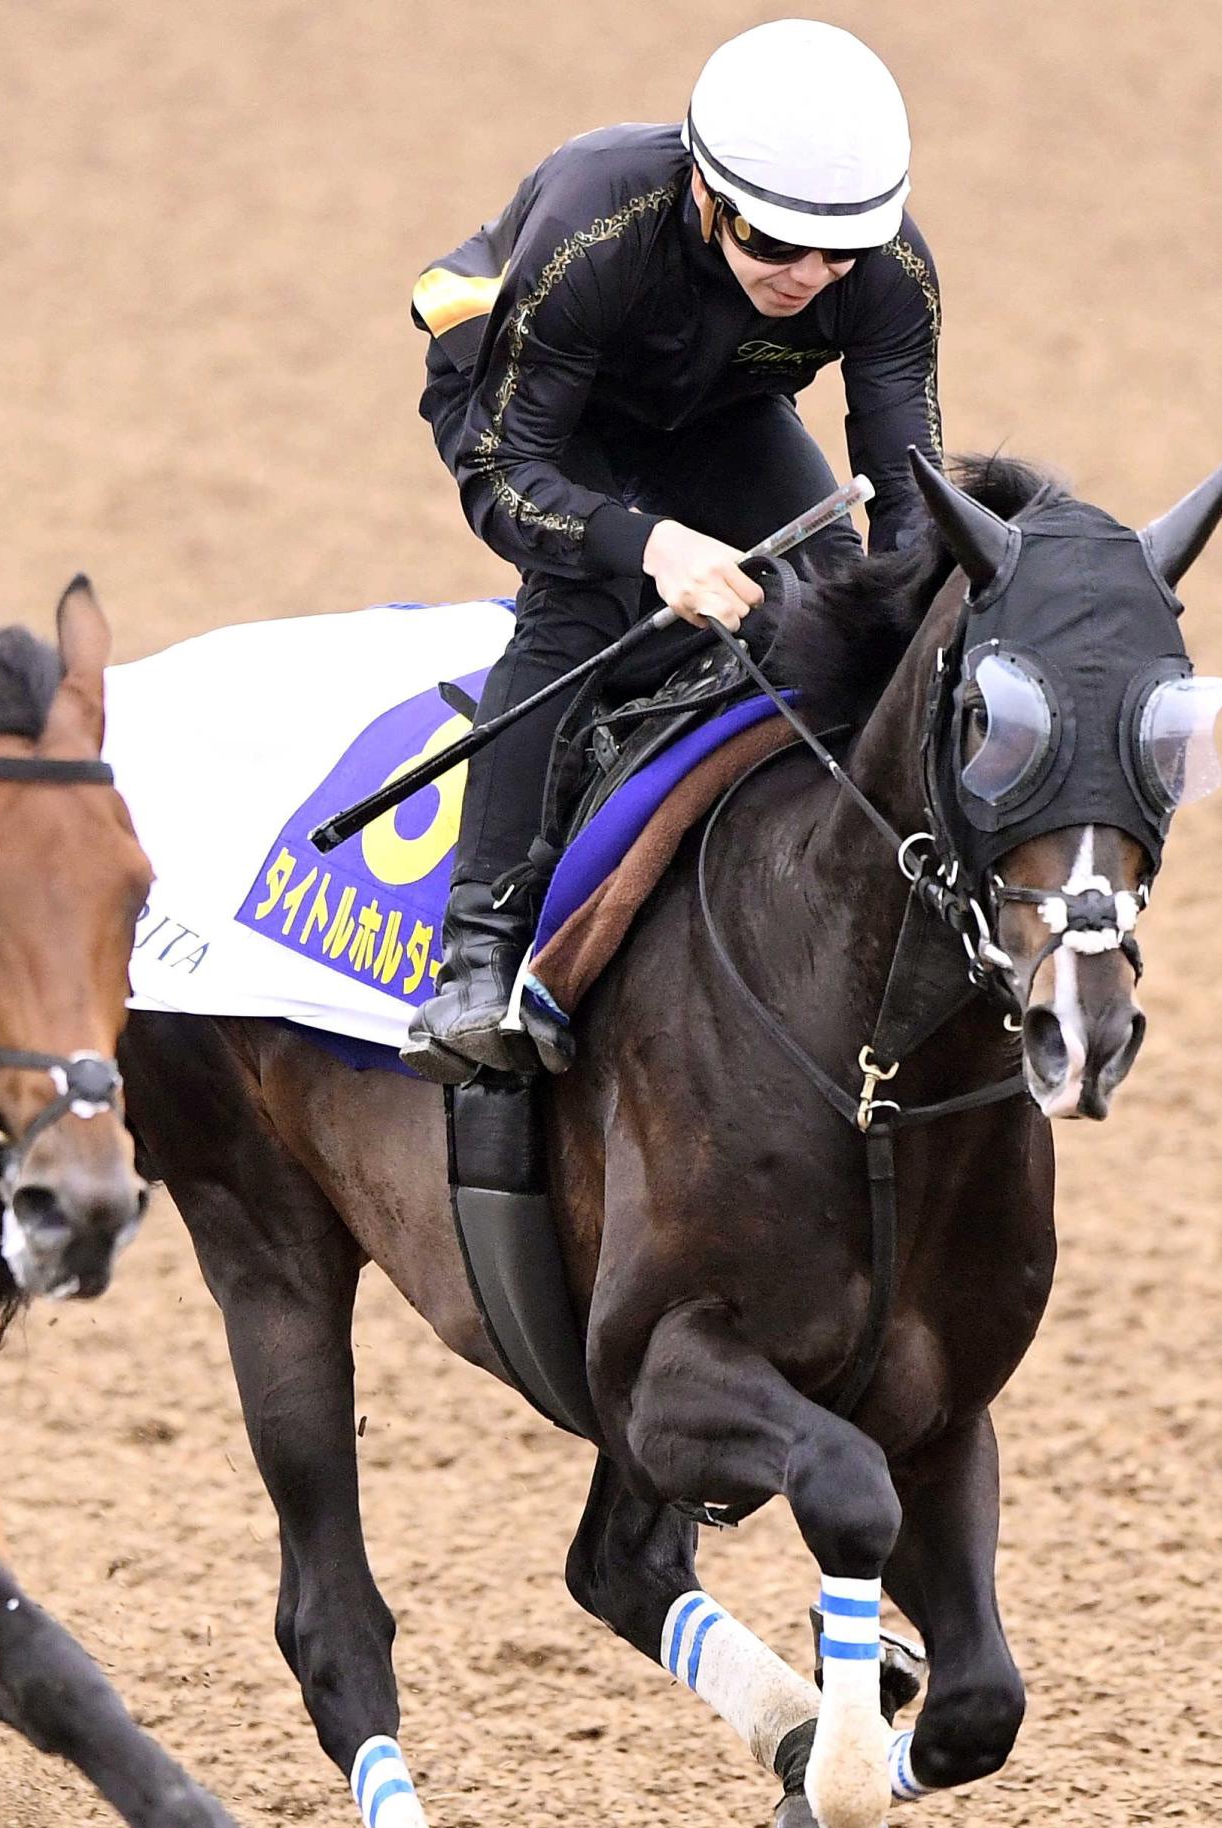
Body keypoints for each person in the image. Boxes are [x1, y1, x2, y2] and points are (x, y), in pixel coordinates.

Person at [401, 18, 945, 1082]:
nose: (807, 275)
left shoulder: (889, 275)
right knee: (578, 605)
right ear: (704, 194)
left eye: (839, 252)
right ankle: (480, 948)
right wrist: (650, 548)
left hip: (717, 405)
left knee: (840, 595)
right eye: (773, 244)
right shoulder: (593, 225)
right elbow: (507, 475)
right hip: (534, 414)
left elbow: (907, 499)